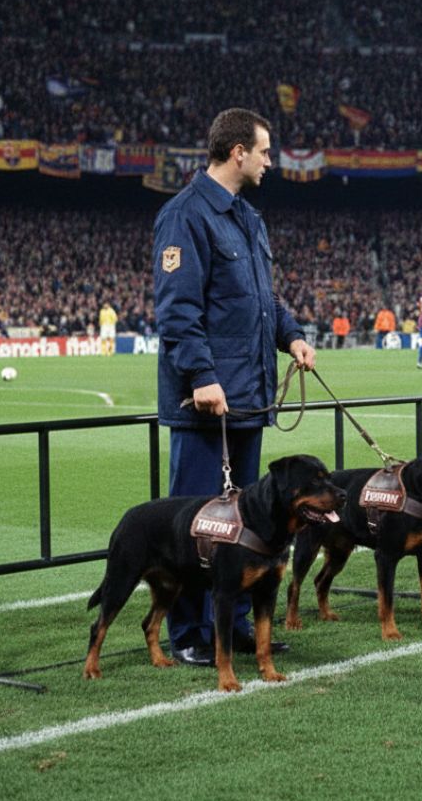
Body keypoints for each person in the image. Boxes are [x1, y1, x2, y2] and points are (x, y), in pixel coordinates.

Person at [153, 107, 316, 666]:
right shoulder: (184, 216)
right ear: (238, 152)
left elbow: (262, 298)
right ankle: (190, 633)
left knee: (250, 528)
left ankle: (236, 624)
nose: (272, 161)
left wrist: (291, 336)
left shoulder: (248, 218)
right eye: (266, 151)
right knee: (197, 527)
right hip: (207, 402)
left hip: (248, 399)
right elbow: (177, 311)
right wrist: (202, 376)